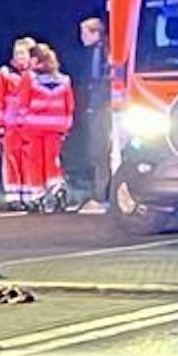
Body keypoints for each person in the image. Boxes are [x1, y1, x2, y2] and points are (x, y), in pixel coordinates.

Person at [23, 43, 76, 213]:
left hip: (34, 126)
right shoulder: (64, 80)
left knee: (35, 161)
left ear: (35, 59)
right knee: (52, 160)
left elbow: (23, 102)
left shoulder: (29, 79)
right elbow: (70, 105)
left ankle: (37, 196)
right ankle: (57, 188)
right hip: (56, 126)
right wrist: (66, 125)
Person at [0, 37, 38, 210]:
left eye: (23, 53)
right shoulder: (5, 73)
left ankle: (31, 197)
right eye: (17, 53)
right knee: (11, 160)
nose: (19, 57)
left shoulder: (37, 74)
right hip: (11, 126)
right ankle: (14, 198)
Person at [70, 16, 112, 213]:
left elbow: (100, 81)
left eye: (84, 33)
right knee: (95, 151)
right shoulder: (93, 53)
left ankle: (102, 195)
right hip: (95, 106)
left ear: (95, 33)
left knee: (100, 151)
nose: (81, 37)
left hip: (103, 107)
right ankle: (99, 192)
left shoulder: (105, 51)